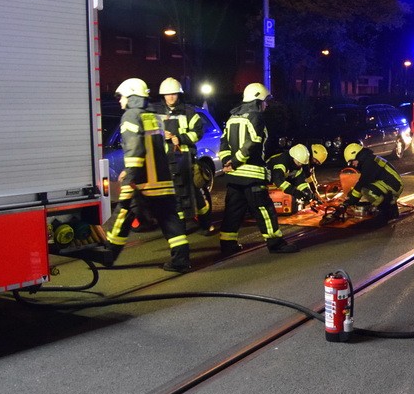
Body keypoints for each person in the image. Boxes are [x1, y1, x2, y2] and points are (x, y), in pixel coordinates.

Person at [99, 78, 191, 272]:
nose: (119, 101)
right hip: (163, 179)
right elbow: (154, 148)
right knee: (170, 219)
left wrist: (130, 177)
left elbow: (135, 149)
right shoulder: (152, 115)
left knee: (123, 213)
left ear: (132, 96)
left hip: (143, 182)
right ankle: (181, 260)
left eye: (122, 97)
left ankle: (108, 255)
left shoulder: (131, 116)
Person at [218, 82, 297, 257]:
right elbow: (253, 143)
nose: (266, 105)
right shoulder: (256, 117)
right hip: (252, 174)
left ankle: (227, 244)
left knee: (233, 211)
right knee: (264, 210)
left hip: (234, 176)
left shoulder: (232, 117)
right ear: (256, 100)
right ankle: (276, 243)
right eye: (264, 101)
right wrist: (237, 161)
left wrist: (227, 161)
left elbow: (223, 142)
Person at [149, 77, 213, 234]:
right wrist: (160, 135)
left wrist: (181, 138)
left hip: (185, 160)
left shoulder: (189, 112)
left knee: (196, 194)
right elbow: (148, 134)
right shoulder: (155, 112)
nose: (170, 97)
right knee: (173, 197)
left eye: (174, 94)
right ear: (163, 95)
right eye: (167, 94)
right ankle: (179, 227)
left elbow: (198, 132)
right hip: (165, 161)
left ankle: (205, 224)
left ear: (179, 95)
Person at [342, 142, 403, 221]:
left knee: (367, 190)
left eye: (352, 161)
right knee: (365, 188)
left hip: (394, 186)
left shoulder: (369, 163)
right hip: (392, 184)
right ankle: (391, 209)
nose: (352, 164)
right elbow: (363, 181)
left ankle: (385, 211)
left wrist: (351, 200)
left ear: (357, 156)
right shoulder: (369, 159)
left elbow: (363, 182)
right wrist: (352, 194)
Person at [267, 144, 321, 209]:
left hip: (277, 180)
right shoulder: (281, 162)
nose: (300, 165)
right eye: (299, 162)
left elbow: (300, 181)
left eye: (302, 163)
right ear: (293, 157)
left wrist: (309, 194)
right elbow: (278, 180)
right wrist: (294, 192)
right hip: (267, 180)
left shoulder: (297, 165)